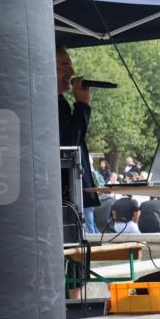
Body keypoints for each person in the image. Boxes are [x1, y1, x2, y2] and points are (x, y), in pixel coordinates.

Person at [56, 47, 100, 234]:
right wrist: (82, 105)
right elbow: (68, 144)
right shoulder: (46, 103)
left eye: (70, 64)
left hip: (71, 197)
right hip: (61, 198)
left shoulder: (60, 102)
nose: (71, 72)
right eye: (64, 65)